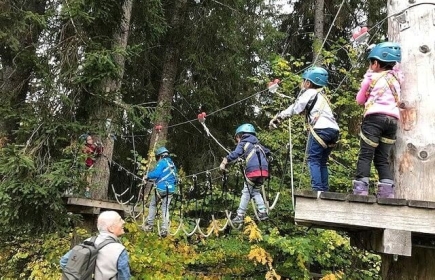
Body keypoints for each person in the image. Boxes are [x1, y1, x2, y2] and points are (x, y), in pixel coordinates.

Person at [269, 66, 340, 192]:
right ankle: (324, 191)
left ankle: (318, 190)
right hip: (333, 131)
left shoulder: (309, 93)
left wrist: (279, 117)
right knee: (322, 162)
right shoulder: (322, 96)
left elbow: (296, 107)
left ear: (308, 82)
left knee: (313, 160)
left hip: (321, 130)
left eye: (304, 81)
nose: (302, 83)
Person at [352, 42, 403, 198]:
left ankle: (361, 191)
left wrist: (367, 78)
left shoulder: (371, 78)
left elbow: (359, 100)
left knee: (366, 154)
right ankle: (387, 193)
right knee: (382, 158)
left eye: (371, 62)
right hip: (392, 121)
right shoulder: (397, 79)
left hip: (374, 119)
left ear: (375, 63)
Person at [220, 123, 271, 225]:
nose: (237, 141)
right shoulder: (258, 144)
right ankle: (263, 212)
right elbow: (268, 152)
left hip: (253, 170)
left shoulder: (243, 142)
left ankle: (240, 215)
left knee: (246, 192)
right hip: (264, 171)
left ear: (240, 135)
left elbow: (235, 153)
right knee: (255, 191)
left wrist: (225, 161)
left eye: (237, 139)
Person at [60, 211, 131, 280]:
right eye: (119, 220)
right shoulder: (119, 250)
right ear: (111, 228)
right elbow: (124, 277)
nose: (123, 222)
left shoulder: (88, 241)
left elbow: (64, 261)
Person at [142, 147, 178, 237]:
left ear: (161, 156)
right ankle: (164, 229)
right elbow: (175, 178)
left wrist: (147, 176)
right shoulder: (172, 164)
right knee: (165, 209)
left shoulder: (162, 162)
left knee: (153, 204)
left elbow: (156, 174)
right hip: (170, 190)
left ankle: (150, 225)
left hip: (161, 189)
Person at [82, 133, 104, 198]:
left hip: (90, 165)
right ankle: (78, 191)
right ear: (86, 141)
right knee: (82, 178)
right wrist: (94, 146)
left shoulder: (92, 146)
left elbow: (99, 153)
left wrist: (101, 146)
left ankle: (87, 192)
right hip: (83, 165)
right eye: (89, 139)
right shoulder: (84, 147)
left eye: (91, 139)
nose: (91, 140)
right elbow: (89, 151)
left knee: (89, 179)